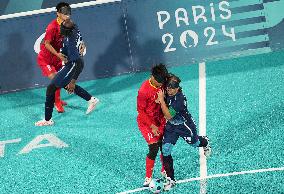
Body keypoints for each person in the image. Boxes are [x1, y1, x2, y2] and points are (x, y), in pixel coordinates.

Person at [35, 19, 99, 126]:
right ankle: (91, 99)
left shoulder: (69, 44)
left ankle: (47, 120)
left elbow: (79, 63)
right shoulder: (74, 27)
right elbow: (81, 41)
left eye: (62, 28)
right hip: (70, 63)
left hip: (71, 65)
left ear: (66, 32)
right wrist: (83, 44)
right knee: (59, 84)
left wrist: (73, 80)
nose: (60, 29)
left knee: (52, 88)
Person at [157, 73, 212, 191]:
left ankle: (205, 141)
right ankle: (171, 179)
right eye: (168, 88)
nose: (169, 91)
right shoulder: (167, 91)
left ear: (177, 88)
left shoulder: (180, 100)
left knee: (195, 143)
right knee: (165, 150)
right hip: (171, 127)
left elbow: (167, 115)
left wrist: (161, 100)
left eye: (172, 89)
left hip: (185, 126)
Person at [37, 2, 85, 113]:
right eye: (64, 14)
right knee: (56, 80)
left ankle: (56, 99)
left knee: (60, 80)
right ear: (58, 13)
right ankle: (57, 103)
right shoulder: (52, 27)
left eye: (68, 13)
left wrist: (82, 43)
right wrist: (58, 54)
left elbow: (77, 36)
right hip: (46, 59)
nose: (67, 16)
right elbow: (47, 44)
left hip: (58, 58)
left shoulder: (68, 24)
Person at [136, 64, 169, 187]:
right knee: (154, 148)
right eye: (158, 83)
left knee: (163, 145)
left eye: (162, 83)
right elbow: (140, 111)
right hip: (146, 122)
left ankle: (164, 170)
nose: (160, 85)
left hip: (160, 119)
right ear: (152, 77)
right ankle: (148, 177)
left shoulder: (164, 83)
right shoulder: (143, 91)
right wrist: (152, 126)